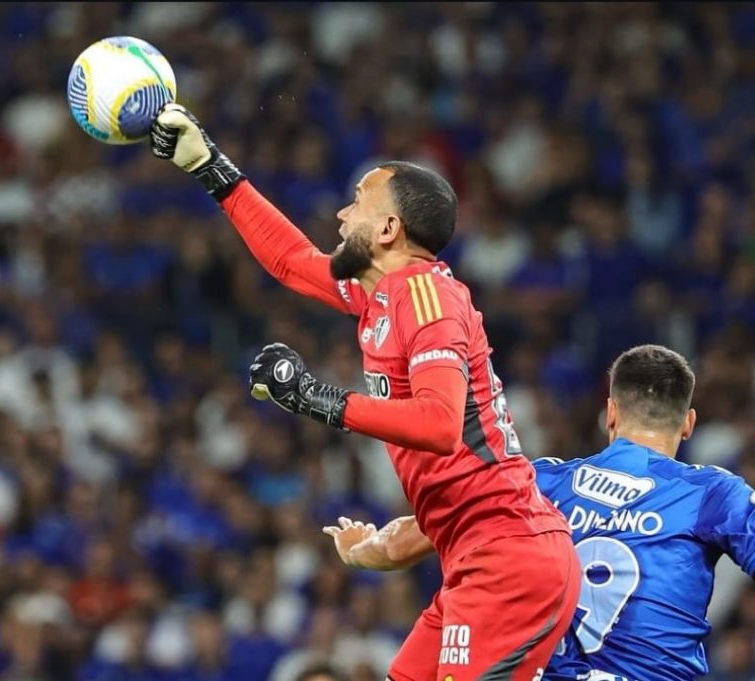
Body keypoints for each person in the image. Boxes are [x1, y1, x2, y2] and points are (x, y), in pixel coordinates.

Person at [149, 104, 580, 681]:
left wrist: (314, 399)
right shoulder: (382, 297)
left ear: (387, 229)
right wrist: (210, 165)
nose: (340, 211)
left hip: (508, 558)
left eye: (357, 200)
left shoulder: (429, 299)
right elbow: (291, 261)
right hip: (475, 555)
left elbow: (439, 423)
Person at [325, 345, 755, 681]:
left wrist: (357, 549)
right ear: (687, 424)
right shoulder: (712, 492)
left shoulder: (537, 481)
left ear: (610, 413)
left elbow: (402, 542)